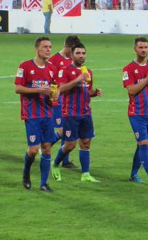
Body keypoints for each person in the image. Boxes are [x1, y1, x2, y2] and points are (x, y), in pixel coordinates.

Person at [51, 43, 102, 182]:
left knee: (86, 142)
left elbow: (87, 90)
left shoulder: (88, 72)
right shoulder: (66, 70)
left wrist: (94, 93)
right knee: (70, 145)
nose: (81, 56)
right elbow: (61, 88)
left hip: (86, 112)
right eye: (78, 53)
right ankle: (55, 164)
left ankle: (85, 174)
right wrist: (78, 79)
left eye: (83, 53)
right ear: (72, 55)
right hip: (71, 113)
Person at [15, 37, 58, 192]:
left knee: (46, 147)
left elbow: (54, 87)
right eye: (45, 47)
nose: (48, 50)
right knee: (33, 150)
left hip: (47, 113)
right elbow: (18, 88)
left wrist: (55, 94)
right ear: (37, 49)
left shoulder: (52, 68)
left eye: (50, 47)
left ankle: (43, 183)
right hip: (31, 113)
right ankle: (26, 172)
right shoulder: (25, 66)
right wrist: (38, 90)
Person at [122, 37, 148, 184]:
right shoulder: (128, 69)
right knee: (144, 143)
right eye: (140, 47)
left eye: (145, 47)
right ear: (135, 49)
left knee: (142, 144)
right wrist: (147, 78)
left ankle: (133, 174)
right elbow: (132, 90)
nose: (143, 50)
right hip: (136, 113)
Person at [48, 35, 82, 169]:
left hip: (71, 100)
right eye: (73, 49)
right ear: (67, 47)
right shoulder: (54, 60)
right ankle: (47, 144)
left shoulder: (73, 60)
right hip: (58, 99)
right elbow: (49, 78)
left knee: (68, 129)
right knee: (63, 129)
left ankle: (65, 160)